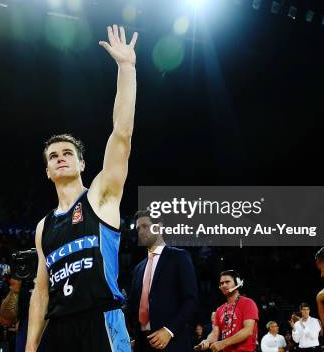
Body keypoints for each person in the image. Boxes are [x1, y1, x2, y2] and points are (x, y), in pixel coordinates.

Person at [26, 25, 138, 352]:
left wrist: (126, 68)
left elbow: (122, 134)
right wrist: (31, 347)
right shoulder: (43, 227)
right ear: (47, 171)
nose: (61, 159)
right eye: (53, 156)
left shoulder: (100, 196)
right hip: (59, 327)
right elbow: (42, 292)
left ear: (82, 164)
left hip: (100, 319)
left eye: (68, 154)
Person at [127, 211, 198, 351]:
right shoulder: (138, 268)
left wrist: (169, 330)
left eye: (145, 226)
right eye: (138, 229)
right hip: (142, 344)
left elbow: (191, 300)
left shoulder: (179, 257)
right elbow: (133, 306)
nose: (140, 232)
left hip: (172, 342)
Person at [197, 270, 258, 352]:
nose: (223, 285)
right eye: (221, 283)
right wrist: (207, 341)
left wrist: (223, 343)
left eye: (227, 282)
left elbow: (248, 331)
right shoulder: (219, 309)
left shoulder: (248, 303)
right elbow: (215, 334)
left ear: (237, 282)